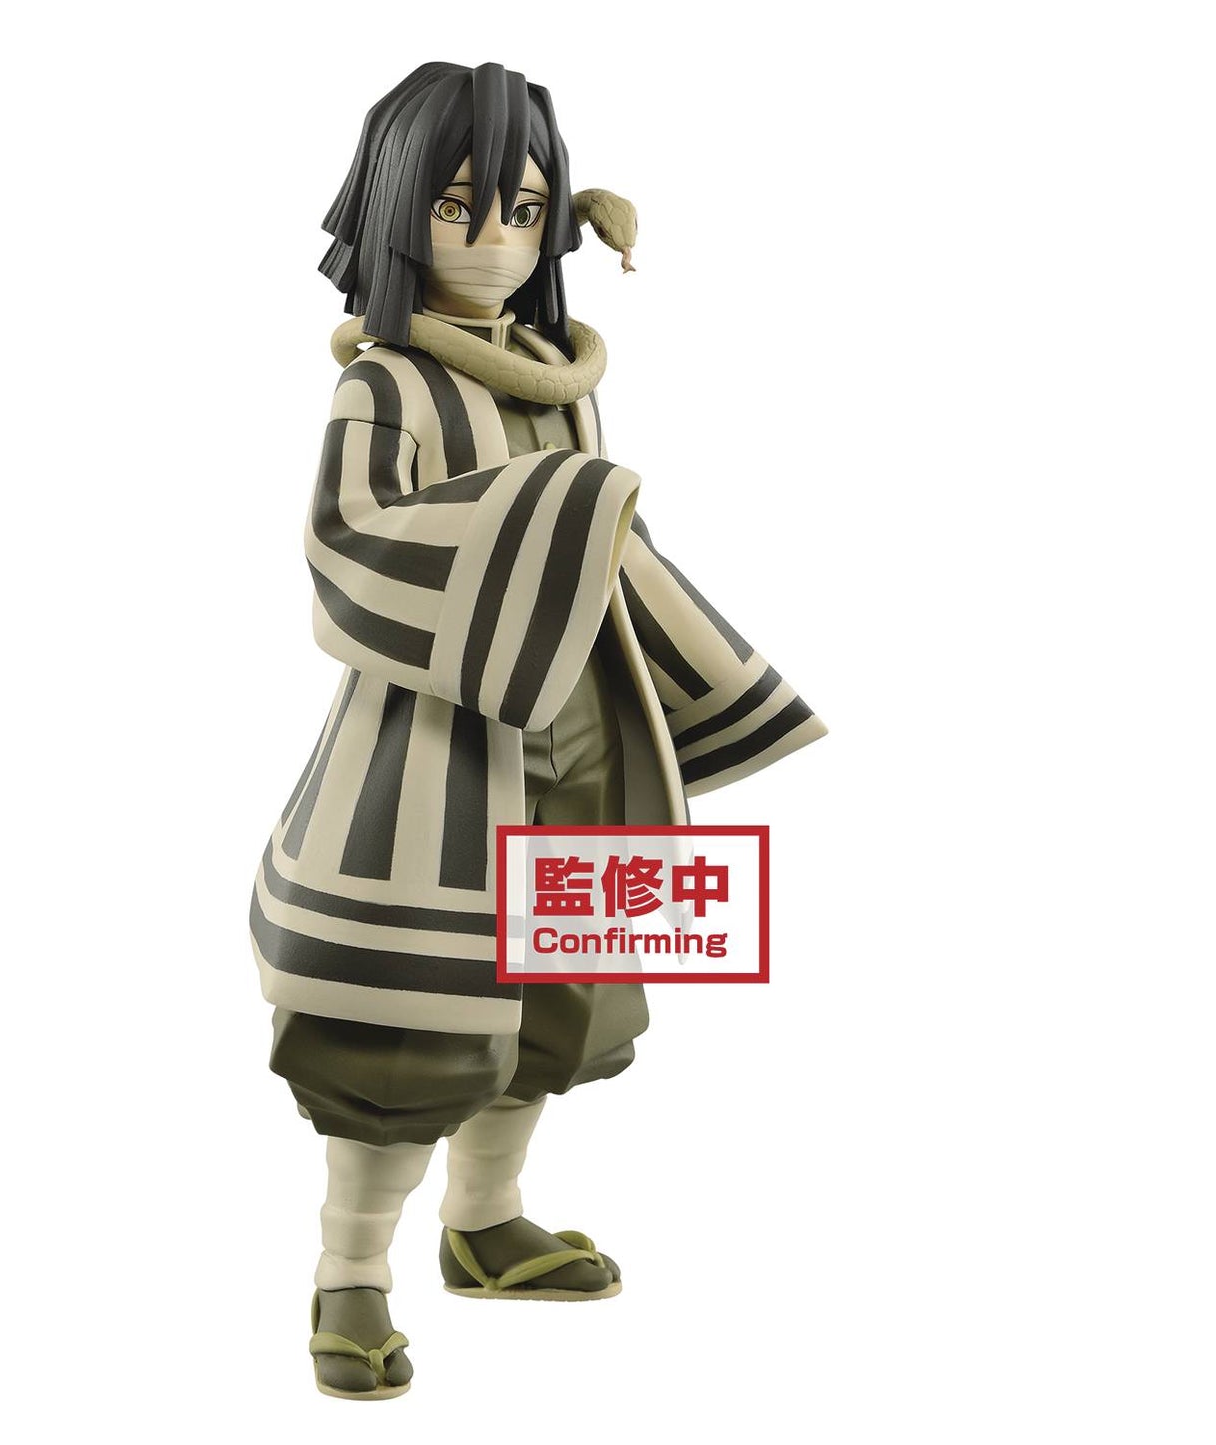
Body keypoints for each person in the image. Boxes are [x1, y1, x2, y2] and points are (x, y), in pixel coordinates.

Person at [248, 60, 826, 1399]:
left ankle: (485, 1221)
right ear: (399, 212)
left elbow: (614, 548)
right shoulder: (385, 386)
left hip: (578, 729)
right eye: (459, 207)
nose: (495, 239)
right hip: (434, 749)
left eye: (521, 208)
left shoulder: (558, 376)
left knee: (554, 998)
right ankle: (348, 1273)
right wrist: (558, 515)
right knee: (407, 1031)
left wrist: (700, 675)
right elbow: (348, 547)